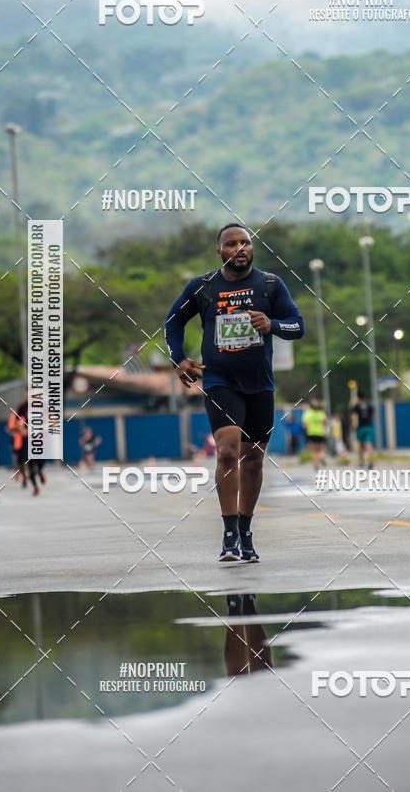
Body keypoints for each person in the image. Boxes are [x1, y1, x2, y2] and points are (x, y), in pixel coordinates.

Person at [165, 223, 304, 563]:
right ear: (219, 252)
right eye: (231, 243)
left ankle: (245, 529)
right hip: (219, 381)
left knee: (253, 459)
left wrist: (271, 324)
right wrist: (179, 359)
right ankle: (229, 534)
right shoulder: (203, 287)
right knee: (227, 452)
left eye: (245, 242)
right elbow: (173, 322)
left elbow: (297, 325)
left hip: (260, 383)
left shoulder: (270, 284)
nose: (239, 248)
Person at [352, 392, 375, 469]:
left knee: (360, 444)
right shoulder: (369, 405)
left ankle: (361, 461)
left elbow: (354, 417)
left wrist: (354, 426)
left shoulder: (356, 406)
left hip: (360, 427)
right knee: (369, 443)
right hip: (369, 427)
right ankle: (370, 460)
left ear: (358, 397)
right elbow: (374, 415)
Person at [301, 400, 327, 470]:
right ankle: (321, 457)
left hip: (311, 433)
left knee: (313, 451)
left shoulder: (307, 413)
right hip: (320, 433)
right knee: (320, 450)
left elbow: (304, 426)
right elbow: (325, 423)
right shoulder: (321, 413)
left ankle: (315, 464)